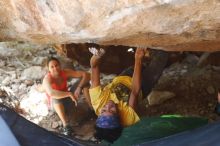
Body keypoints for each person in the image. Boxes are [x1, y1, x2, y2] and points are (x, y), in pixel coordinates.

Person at [89, 47, 161, 143]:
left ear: (99, 115)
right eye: (112, 111)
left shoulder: (97, 102)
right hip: (142, 87)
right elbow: (135, 90)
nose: (108, 106)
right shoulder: (128, 118)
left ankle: (150, 55)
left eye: (103, 110)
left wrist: (96, 56)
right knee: (160, 61)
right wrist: (137, 59)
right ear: (119, 117)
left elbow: (94, 67)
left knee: (145, 63)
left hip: (124, 77)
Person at [41, 57, 91, 136]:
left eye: (56, 65)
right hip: (56, 106)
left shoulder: (64, 72)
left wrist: (79, 87)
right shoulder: (47, 79)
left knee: (85, 83)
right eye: (52, 67)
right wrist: (69, 94)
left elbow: (86, 75)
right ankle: (66, 125)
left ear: (60, 65)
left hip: (68, 99)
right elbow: (51, 93)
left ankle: (91, 107)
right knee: (55, 97)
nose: (55, 68)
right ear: (49, 69)